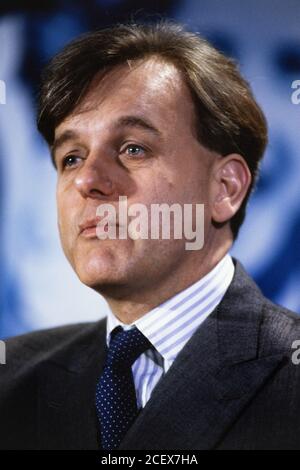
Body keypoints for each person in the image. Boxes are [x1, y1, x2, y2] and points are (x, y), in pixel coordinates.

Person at [1, 21, 300, 451]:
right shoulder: (10, 380)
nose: (87, 180)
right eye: (71, 157)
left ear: (225, 189)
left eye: (133, 148)